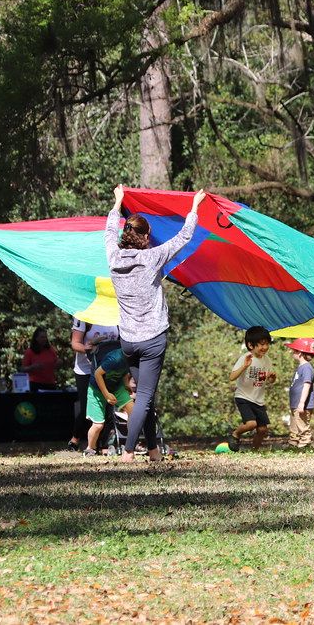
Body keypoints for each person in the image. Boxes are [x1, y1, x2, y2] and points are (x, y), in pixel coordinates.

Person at [106, 185, 206, 462]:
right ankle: (128, 452)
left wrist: (118, 203)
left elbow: (108, 230)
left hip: (128, 340)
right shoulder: (152, 257)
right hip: (152, 339)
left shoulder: (113, 257)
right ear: (146, 236)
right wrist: (195, 207)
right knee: (146, 395)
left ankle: (153, 451)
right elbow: (184, 237)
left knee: (146, 397)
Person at [68, 318, 120, 451]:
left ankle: (101, 444)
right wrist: (87, 348)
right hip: (85, 370)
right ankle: (75, 438)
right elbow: (75, 343)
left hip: (107, 369)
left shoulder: (115, 313)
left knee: (109, 406)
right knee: (87, 406)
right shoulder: (84, 316)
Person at [227, 326, 277, 452]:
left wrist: (272, 377)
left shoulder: (267, 360)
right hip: (243, 397)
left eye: (267, 344)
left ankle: (254, 451)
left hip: (258, 400)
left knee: (262, 430)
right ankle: (235, 434)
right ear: (250, 345)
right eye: (261, 344)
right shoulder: (246, 358)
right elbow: (232, 377)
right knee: (251, 424)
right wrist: (244, 366)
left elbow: (269, 381)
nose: (265, 347)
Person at [84, 345, 134, 456]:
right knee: (98, 425)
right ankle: (90, 449)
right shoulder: (115, 358)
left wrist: (126, 385)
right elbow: (98, 374)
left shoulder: (132, 358)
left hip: (116, 386)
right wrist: (106, 394)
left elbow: (125, 371)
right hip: (97, 389)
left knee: (134, 415)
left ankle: (130, 445)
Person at [285, 337, 314, 448]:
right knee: (294, 424)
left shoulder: (307, 368)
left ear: (300, 353)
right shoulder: (301, 367)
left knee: (302, 424)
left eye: (294, 350)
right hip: (295, 404)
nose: (292, 352)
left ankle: (305, 442)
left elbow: (306, 385)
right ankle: (293, 442)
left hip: (303, 405)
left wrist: (302, 403)